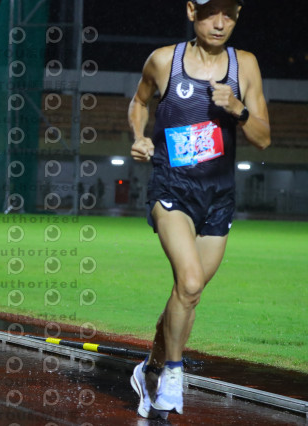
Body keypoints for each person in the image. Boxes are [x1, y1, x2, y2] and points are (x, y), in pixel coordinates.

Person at [127, 0, 270, 419]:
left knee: (187, 295)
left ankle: (148, 370)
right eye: (210, 13)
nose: (220, 23)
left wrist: (238, 109)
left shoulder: (245, 65)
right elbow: (139, 102)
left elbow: (263, 138)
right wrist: (139, 136)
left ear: (238, 14)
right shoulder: (164, 61)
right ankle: (173, 373)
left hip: (219, 197)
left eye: (228, 14)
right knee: (189, 283)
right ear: (192, 11)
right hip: (172, 188)